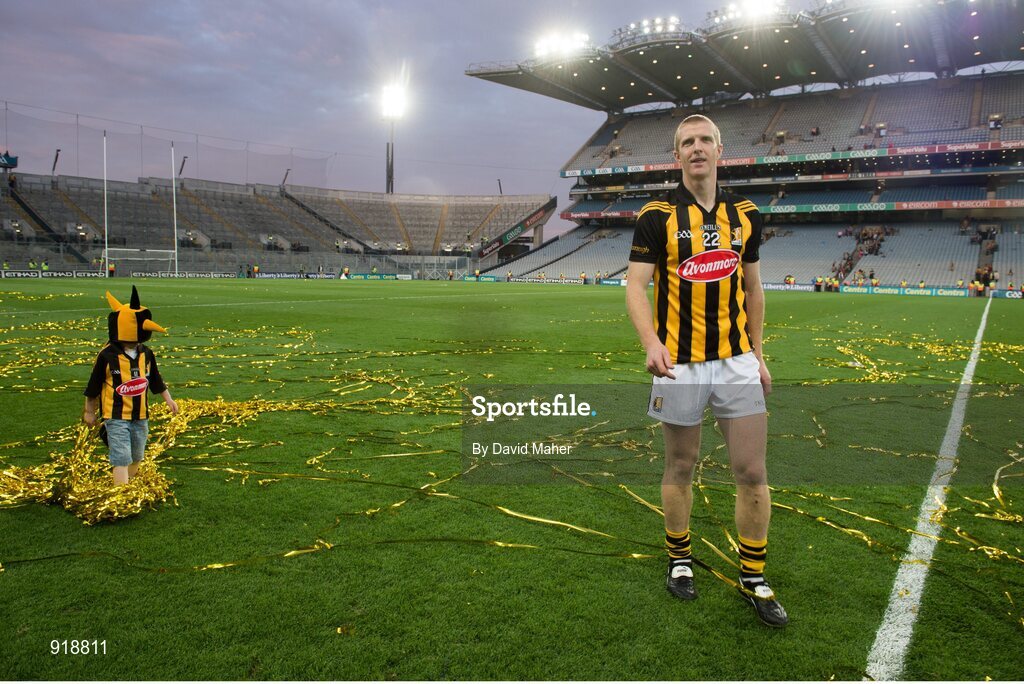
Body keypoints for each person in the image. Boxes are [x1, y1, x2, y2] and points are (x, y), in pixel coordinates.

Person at [626, 114, 787, 627]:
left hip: (737, 360)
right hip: (680, 365)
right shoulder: (656, 214)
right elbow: (635, 287)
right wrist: (651, 342)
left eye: (705, 141)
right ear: (678, 156)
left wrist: (758, 355)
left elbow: (755, 289)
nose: (697, 149)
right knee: (679, 466)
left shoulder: (746, 214)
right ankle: (679, 560)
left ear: (721, 150)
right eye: (687, 143)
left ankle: (754, 576)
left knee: (752, 471)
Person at [82, 287, 179, 485]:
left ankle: (130, 483)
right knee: (121, 455)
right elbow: (93, 386)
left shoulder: (147, 354)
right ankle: (121, 493)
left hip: (141, 415)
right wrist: (89, 411)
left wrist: (168, 399)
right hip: (115, 415)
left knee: (137, 454)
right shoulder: (107, 355)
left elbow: (156, 380)